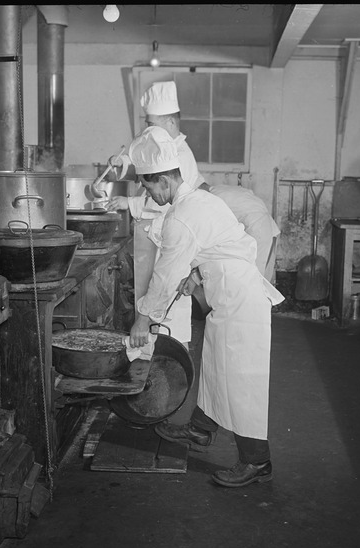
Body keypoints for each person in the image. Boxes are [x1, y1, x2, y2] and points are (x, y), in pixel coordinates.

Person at [126, 125, 285, 488]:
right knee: (216, 368)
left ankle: (256, 462)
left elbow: (163, 278)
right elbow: (227, 244)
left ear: (164, 179)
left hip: (240, 301)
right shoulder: (198, 201)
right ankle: (200, 430)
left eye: (148, 185)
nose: (148, 193)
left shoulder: (182, 217)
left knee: (242, 380)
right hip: (227, 294)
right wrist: (197, 274)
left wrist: (141, 321)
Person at [107, 81, 208, 347]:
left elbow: (163, 203)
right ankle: (157, 355)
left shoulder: (181, 156)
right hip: (157, 243)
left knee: (166, 315)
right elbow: (147, 172)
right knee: (155, 310)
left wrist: (129, 203)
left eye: (153, 124)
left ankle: (166, 359)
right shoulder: (164, 149)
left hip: (168, 244)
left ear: (171, 122)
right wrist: (122, 165)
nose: (148, 130)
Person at [208, 184, 281, 283]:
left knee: (255, 277)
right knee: (264, 275)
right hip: (268, 224)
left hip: (257, 228)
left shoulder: (209, 199)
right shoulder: (219, 188)